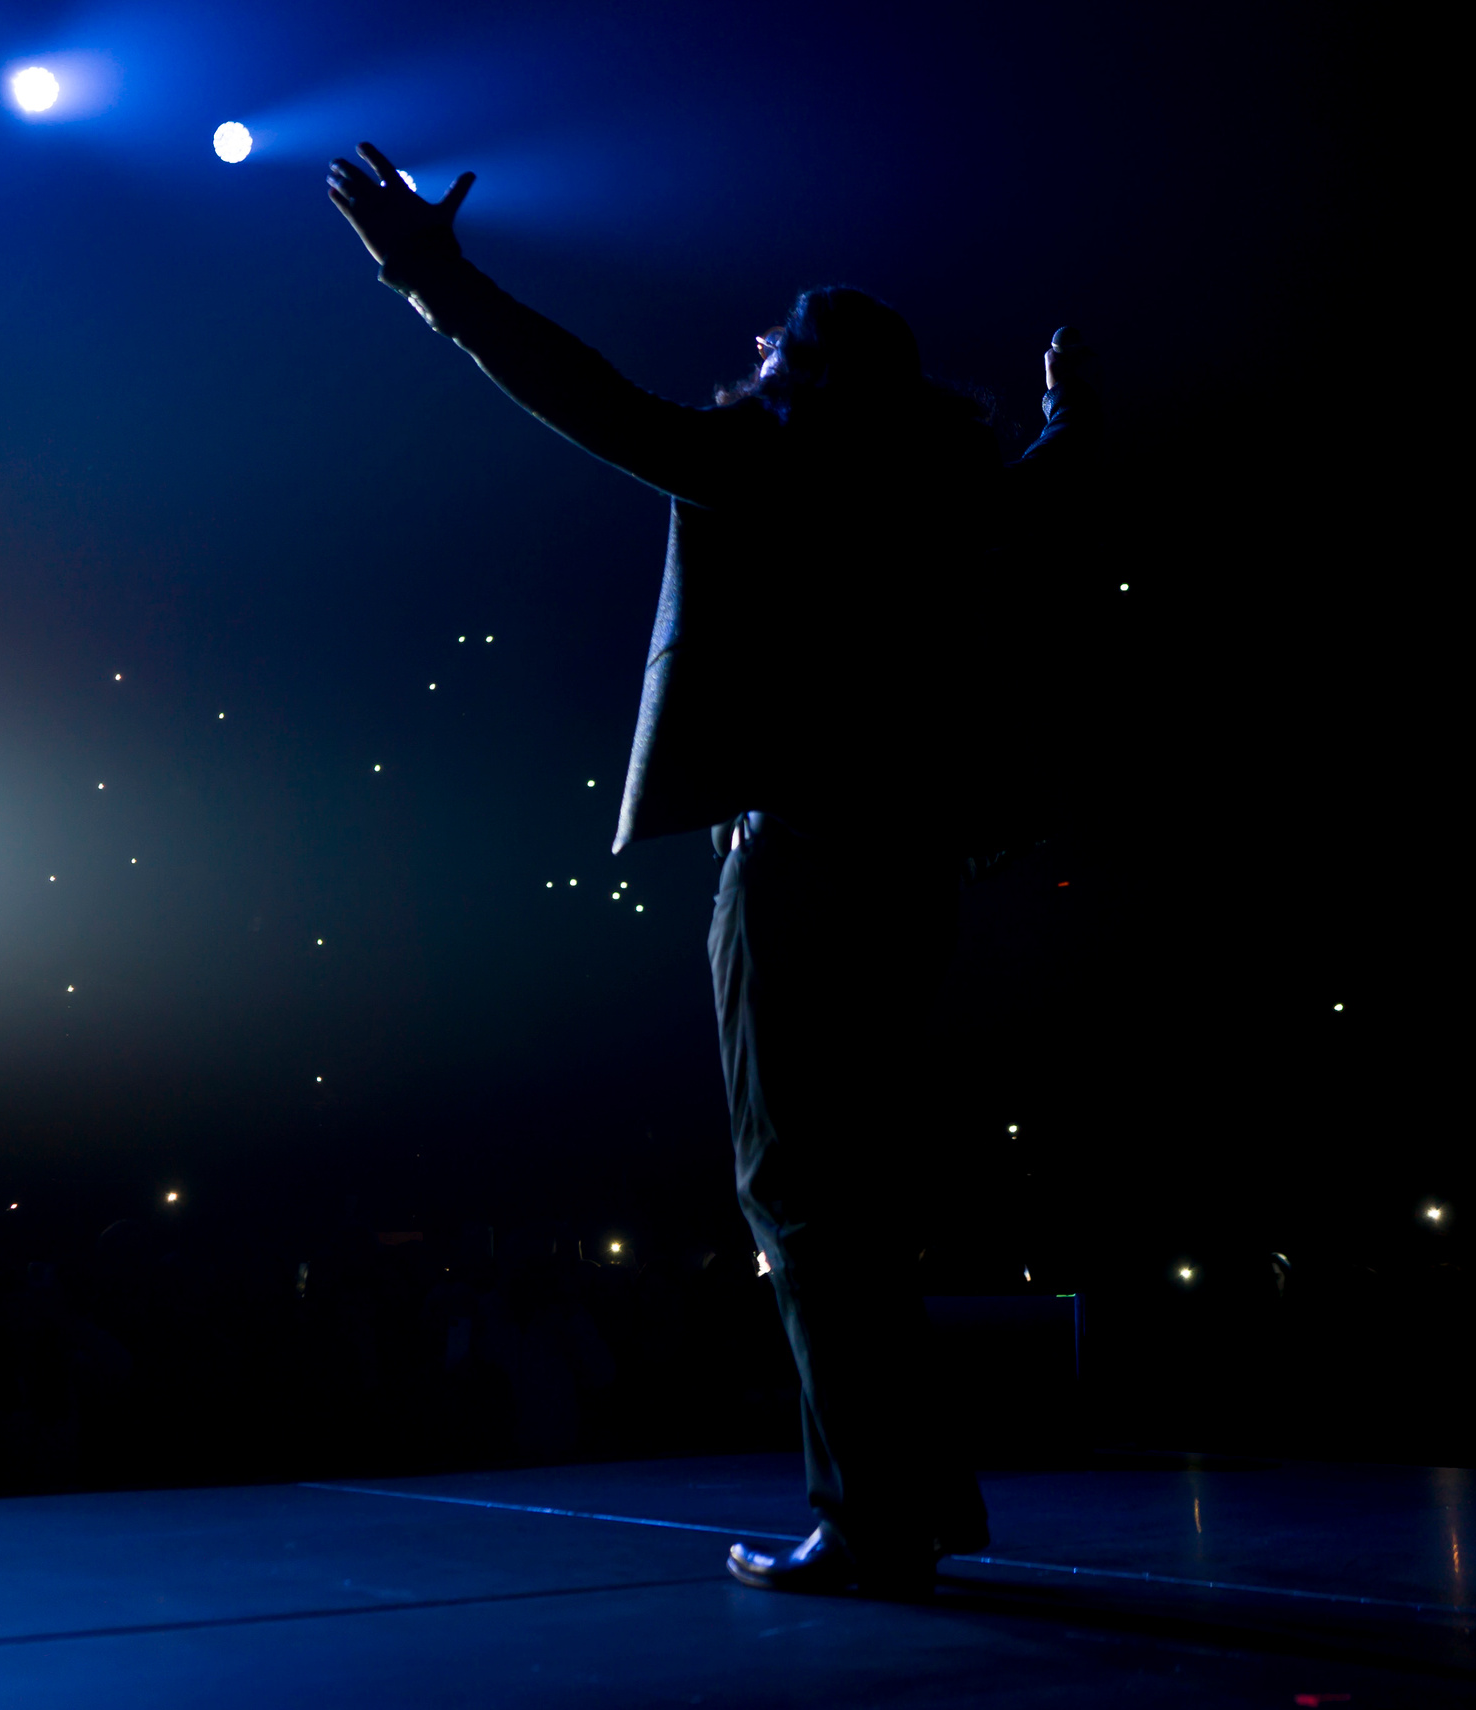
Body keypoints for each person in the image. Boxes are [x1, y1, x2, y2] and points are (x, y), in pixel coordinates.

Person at [327, 142, 1002, 1593]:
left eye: (775, 339)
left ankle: (875, 1520)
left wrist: (431, 273)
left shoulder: (770, 470)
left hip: (806, 869)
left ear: (810, 371)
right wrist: (1071, 426)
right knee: (860, 1196)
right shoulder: (948, 494)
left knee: (801, 1193)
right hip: (912, 872)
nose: (749, 351)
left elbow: (584, 393)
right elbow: (1045, 506)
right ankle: (918, 1499)